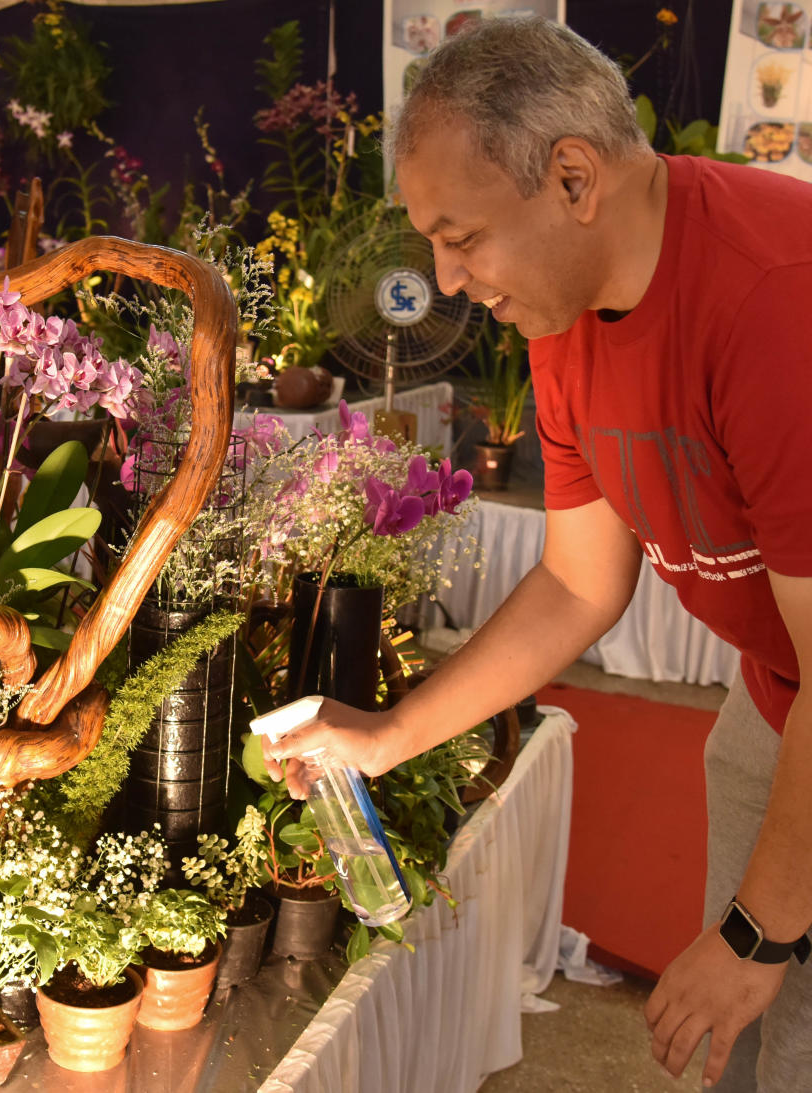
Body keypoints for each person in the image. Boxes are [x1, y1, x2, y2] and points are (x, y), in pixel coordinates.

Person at [262, 17, 812, 1092]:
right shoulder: (566, 319)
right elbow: (579, 579)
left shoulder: (771, 294)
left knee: (785, 1021)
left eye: (461, 236)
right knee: (744, 1049)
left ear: (572, 176)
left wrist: (755, 934)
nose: (449, 278)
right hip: (777, 684)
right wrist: (388, 736)